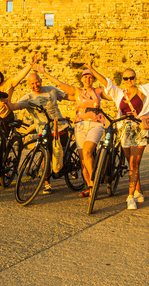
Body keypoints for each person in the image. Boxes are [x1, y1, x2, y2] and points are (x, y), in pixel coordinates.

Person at [85, 63, 149, 210]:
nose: (129, 80)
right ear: (123, 80)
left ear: (135, 78)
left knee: (134, 163)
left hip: (139, 129)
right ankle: (138, 190)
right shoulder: (119, 93)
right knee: (131, 163)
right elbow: (106, 82)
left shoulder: (144, 90)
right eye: (126, 78)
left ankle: (130, 198)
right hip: (124, 131)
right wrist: (92, 69)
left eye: (131, 78)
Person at [34, 65, 109, 197]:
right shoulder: (77, 92)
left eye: (90, 77)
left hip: (95, 124)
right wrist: (44, 73)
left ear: (93, 79)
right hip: (80, 126)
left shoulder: (98, 91)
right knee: (82, 160)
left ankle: (93, 184)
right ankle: (89, 187)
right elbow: (59, 83)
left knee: (87, 152)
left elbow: (112, 92)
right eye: (85, 77)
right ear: (81, 79)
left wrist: (94, 70)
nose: (88, 79)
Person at [8, 72, 72, 194]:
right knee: (45, 156)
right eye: (32, 83)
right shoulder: (28, 98)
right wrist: (6, 102)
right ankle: (47, 183)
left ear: (40, 80)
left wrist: (81, 96)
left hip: (60, 127)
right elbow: (14, 106)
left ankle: (66, 168)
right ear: (28, 85)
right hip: (43, 130)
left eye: (37, 82)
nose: (35, 85)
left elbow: (67, 97)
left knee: (61, 155)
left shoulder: (51, 90)